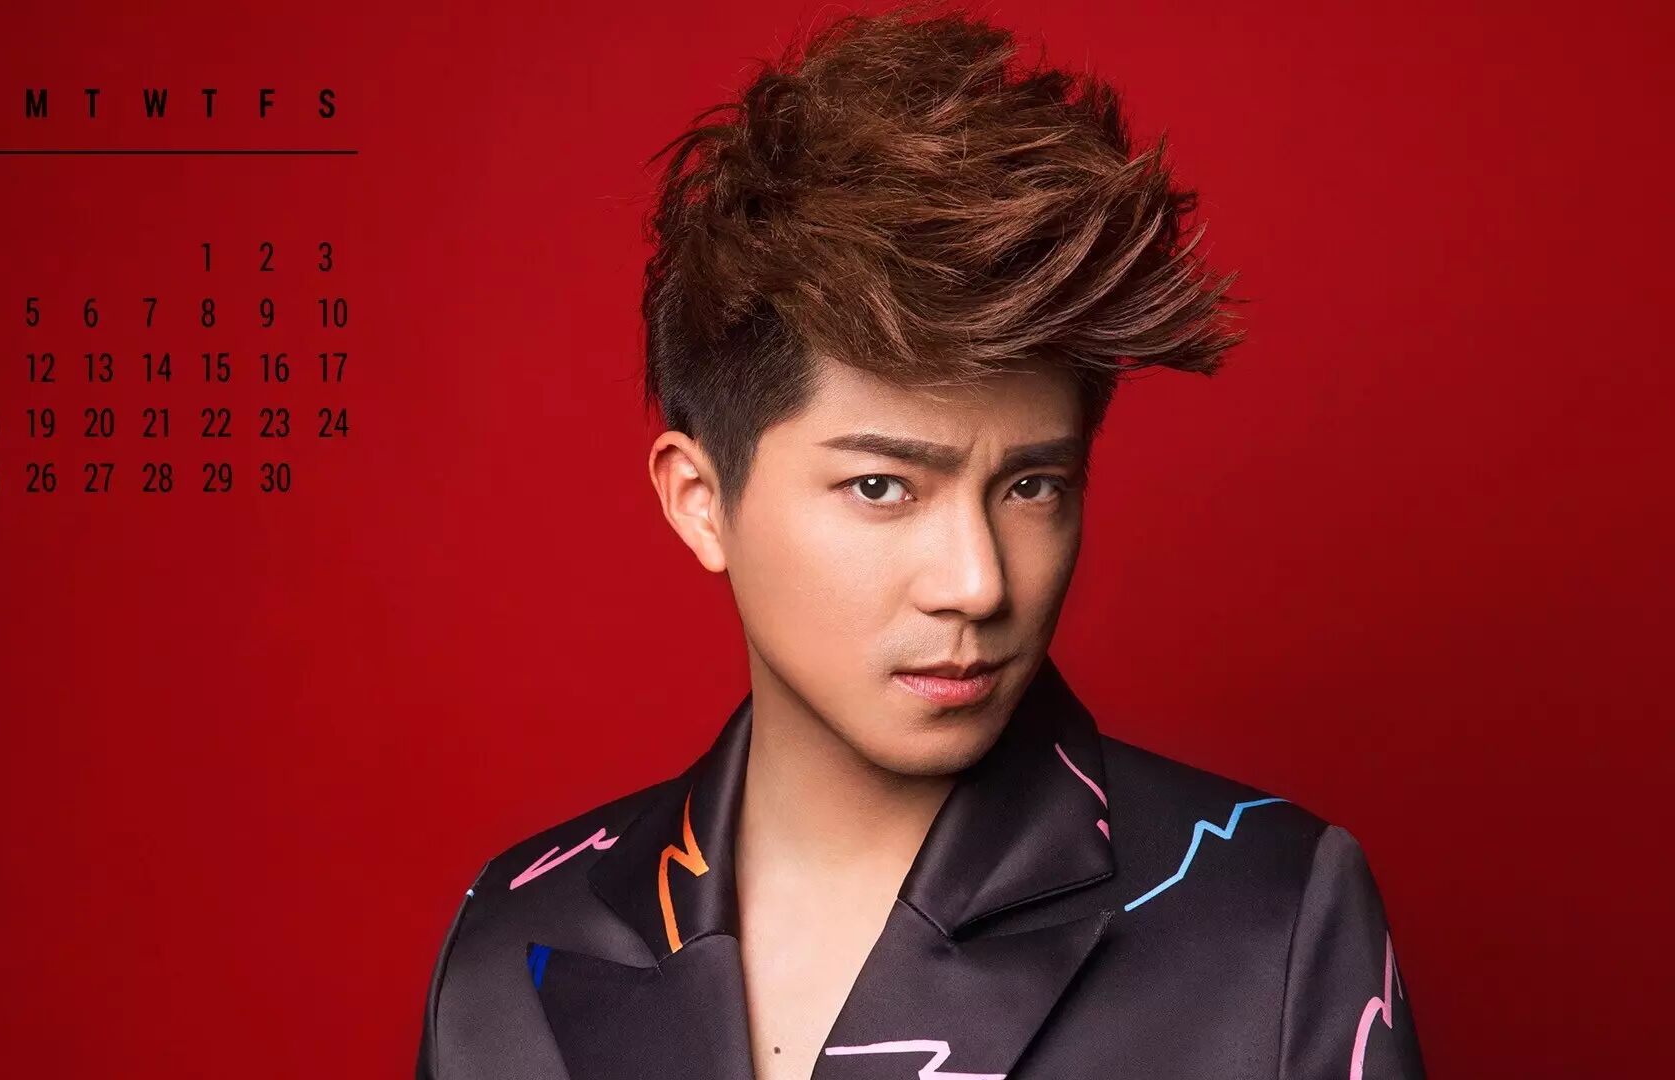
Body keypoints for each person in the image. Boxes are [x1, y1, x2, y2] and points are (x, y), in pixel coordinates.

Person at [415, 5, 1425, 1078]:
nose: (978, 584)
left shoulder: (1269, 919)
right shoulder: (515, 940)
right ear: (700, 500)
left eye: (1031, 486)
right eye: (882, 486)